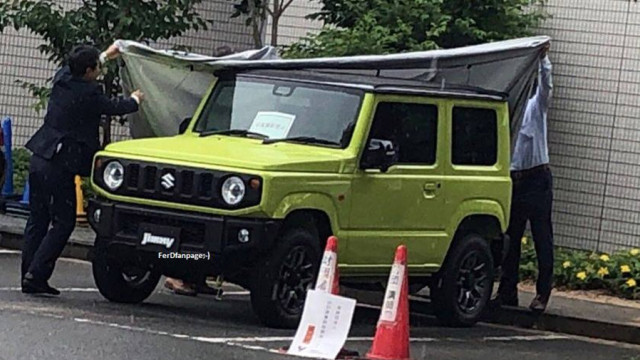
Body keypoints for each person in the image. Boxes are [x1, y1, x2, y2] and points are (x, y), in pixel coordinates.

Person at [21, 43, 144, 295]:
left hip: (40, 155)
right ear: (88, 71)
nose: (99, 70)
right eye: (97, 67)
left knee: (37, 218)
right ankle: (36, 275)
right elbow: (114, 106)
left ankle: (28, 273)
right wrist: (135, 100)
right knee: (64, 222)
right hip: (60, 164)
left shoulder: (62, 78)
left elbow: (74, 67)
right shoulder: (89, 94)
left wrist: (106, 55)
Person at [495, 43, 554, 313]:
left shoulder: (534, 107)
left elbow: (546, 88)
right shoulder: (506, 112)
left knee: (542, 236)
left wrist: (543, 60)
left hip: (537, 178)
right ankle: (507, 291)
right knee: (511, 237)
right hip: (514, 180)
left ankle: (543, 293)